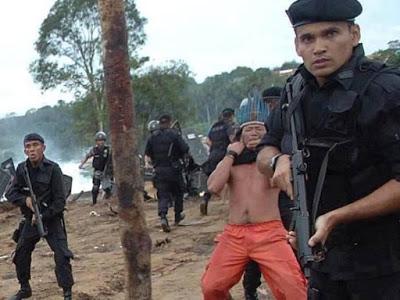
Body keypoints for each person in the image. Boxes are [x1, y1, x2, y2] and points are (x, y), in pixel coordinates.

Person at [257, 0, 400, 298]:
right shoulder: (294, 91)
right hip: (323, 262)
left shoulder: (385, 91)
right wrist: (277, 162)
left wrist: (337, 216)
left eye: (331, 34)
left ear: (355, 34)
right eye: (308, 38)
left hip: (385, 264)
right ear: (297, 45)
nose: (318, 47)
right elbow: (265, 149)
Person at [201, 108, 307, 300]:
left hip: (269, 233)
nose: (254, 133)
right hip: (234, 234)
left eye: (259, 129)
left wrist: (267, 152)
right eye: (248, 129)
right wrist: (230, 154)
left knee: (295, 290)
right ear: (240, 136)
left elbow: (280, 176)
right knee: (211, 287)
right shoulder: (232, 163)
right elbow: (213, 186)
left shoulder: (270, 162)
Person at [6, 133, 74, 300]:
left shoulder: (53, 169)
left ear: (43, 147)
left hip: (51, 220)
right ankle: (25, 288)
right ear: (24, 150)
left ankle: (67, 293)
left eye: (35, 145)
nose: (32, 150)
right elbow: (10, 193)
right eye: (28, 146)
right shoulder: (22, 169)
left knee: (62, 255)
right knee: (21, 253)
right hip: (31, 221)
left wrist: (43, 215)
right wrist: (26, 200)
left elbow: (60, 201)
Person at [145, 114, 190, 232]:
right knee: (178, 193)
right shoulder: (174, 135)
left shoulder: (153, 137)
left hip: (159, 170)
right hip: (174, 170)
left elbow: (148, 155)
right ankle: (177, 216)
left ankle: (163, 217)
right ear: (169, 122)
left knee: (163, 195)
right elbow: (185, 149)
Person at [201, 108, 236, 215]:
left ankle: (205, 198)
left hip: (213, 155)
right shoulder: (228, 126)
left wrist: (215, 147)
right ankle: (234, 205)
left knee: (214, 179)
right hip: (224, 156)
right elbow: (232, 139)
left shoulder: (214, 127)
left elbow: (207, 141)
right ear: (231, 116)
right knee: (233, 178)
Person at [79, 131, 112, 205]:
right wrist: (81, 164)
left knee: (107, 187)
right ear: (96, 142)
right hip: (97, 171)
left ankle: (109, 201)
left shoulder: (108, 149)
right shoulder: (94, 150)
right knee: (95, 187)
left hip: (107, 172)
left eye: (102, 140)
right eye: (99, 141)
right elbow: (87, 156)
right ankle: (94, 203)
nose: (101, 142)